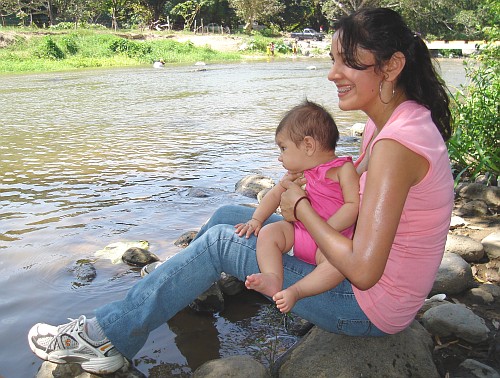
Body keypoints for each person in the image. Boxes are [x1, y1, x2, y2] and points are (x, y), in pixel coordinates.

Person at [28, 7, 454, 375]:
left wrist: (300, 208)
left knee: (217, 244)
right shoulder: (395, 121)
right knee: (233, 216)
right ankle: (176, 289)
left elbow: (364, 270)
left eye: (347, 62)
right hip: (360, 277)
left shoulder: (397, 146)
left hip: (368, 305)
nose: (332, 73)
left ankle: (105, 337)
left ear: (391, 65)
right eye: (332, 59)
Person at [236, 100, 359, 313]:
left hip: (328, 244)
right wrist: (256, 219)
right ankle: (273, 277)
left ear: (308, 145)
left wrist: (326, 230)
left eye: (283, 148)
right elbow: (274, 195)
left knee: (338, 264)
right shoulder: (298, 174)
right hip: (298, 233)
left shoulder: (343, 169)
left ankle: (297, 291)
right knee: (269, 232)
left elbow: (352, 206)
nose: (279, 156)